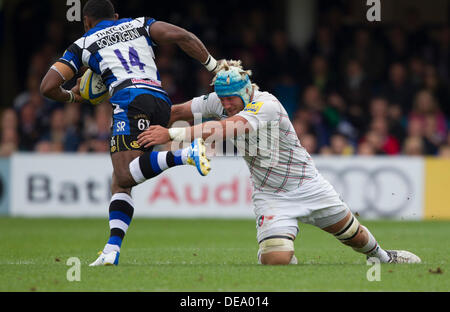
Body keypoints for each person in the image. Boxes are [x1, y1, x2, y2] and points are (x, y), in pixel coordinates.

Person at [138, 60, 421, 265]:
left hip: (308, 184)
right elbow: (178, 109)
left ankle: (384, 257)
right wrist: (140, 117)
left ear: (246, 91)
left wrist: (173, 133)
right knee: (276, 260)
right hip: (270, 194)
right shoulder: (221, 101)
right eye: (222, 100)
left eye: (231, 99)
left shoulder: (266, 104)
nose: (225, 105)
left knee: (353, 236)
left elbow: (228, 128)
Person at [40, 0, 216, 266]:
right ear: (116, 15)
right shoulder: (139, 24)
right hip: (160, 99)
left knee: (125, 172)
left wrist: (74, 98)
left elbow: (48, 86)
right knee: (120, 181)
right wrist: (213, 67)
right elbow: (184, 36)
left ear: (86, 22)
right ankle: (112, 248)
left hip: (129, 100)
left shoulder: (83, 43)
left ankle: (184, 155)